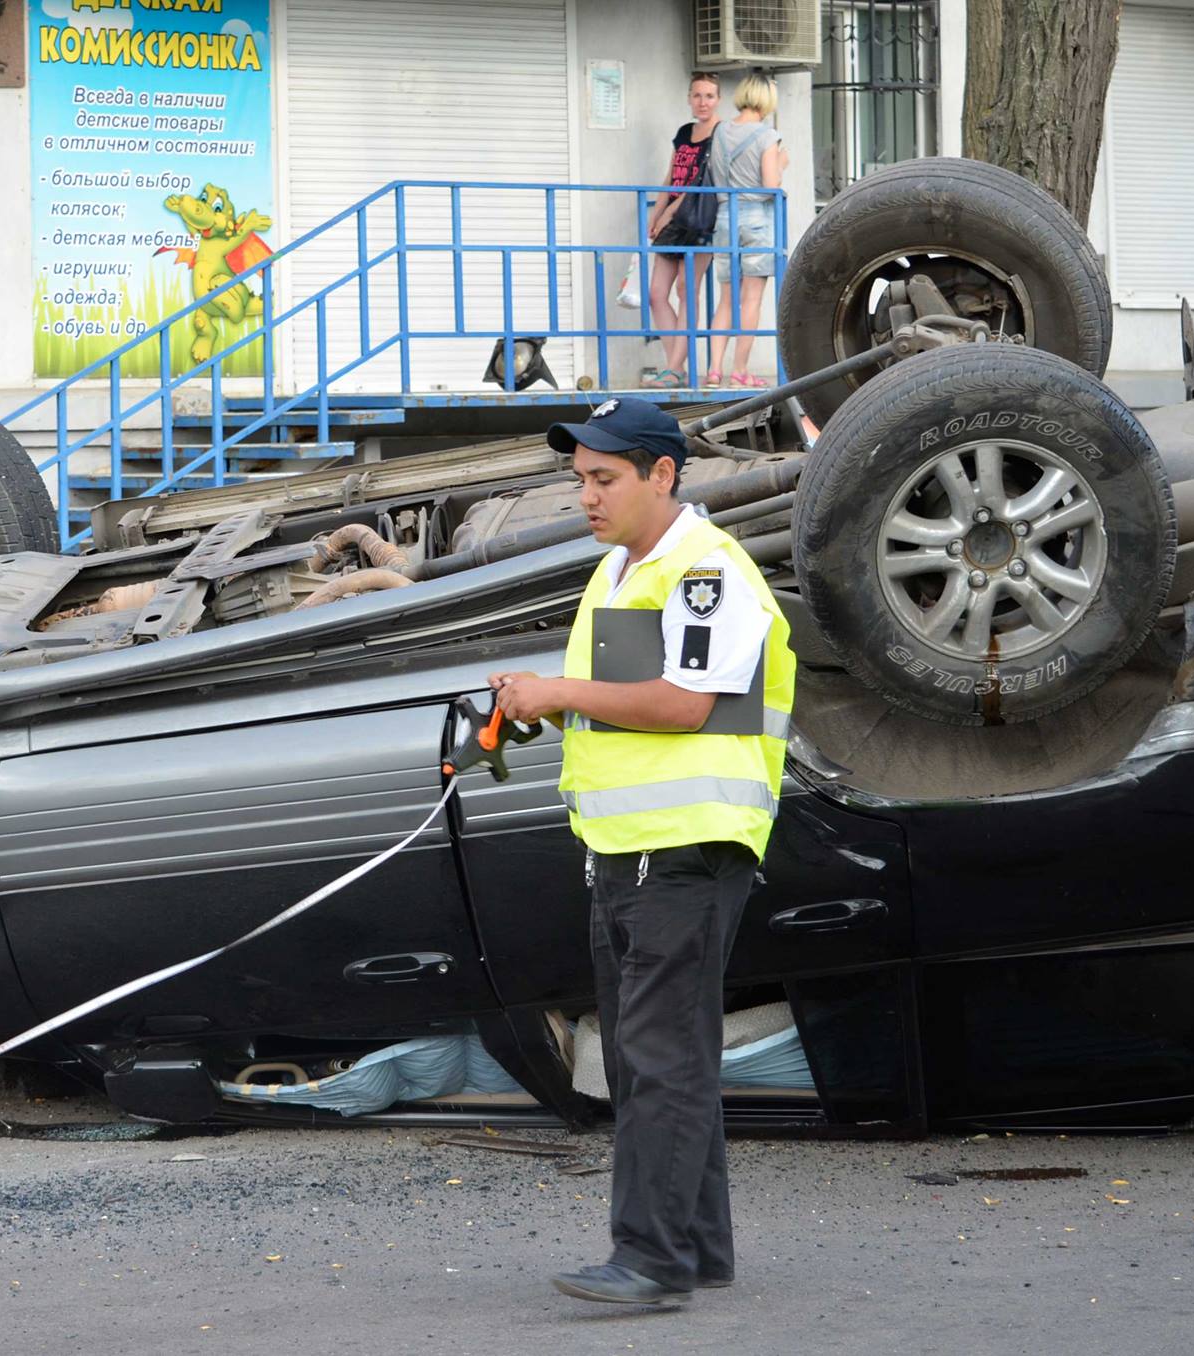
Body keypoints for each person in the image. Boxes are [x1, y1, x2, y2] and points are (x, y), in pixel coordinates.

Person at [488, 398, 796, 1306]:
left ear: (663, 474)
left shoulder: (707, 572)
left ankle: (652, 1259)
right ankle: (694, 1248)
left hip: (687, 850)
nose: (584, 497)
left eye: (604, 479)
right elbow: (617, 704)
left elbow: (685, 704)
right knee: (651, 1056)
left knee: (659, 1055)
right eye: (579, 479)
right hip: (627, 853)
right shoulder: (623, 572)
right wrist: (538, 704)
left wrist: (555, 687)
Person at [706, 73, 790, 388]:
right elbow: (770, 187)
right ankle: (740, 369)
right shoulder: (767, 136)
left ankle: (714, 369)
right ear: (767, 100)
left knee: (726, 299)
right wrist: (781, 164)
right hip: (756, 218)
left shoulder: (720, 131)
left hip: (725, 216)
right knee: (751, 298)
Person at [641, 73, 722, 390]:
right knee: (656, 294)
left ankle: (673, 368)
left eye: (709, 96)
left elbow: (701, 184)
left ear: (718, 100)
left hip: (698, 218)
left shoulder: (720, 133)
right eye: (697, 95)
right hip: (672, 221)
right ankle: (675, 366)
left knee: (687, 291)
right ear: (689, 98)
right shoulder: (684, 132)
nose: (703, 102)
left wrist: (669, 213)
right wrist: (656, 212)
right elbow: (672, 177)